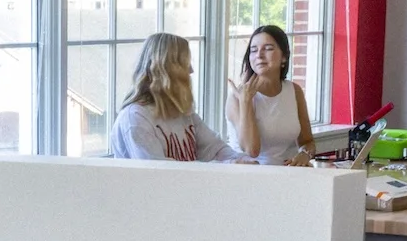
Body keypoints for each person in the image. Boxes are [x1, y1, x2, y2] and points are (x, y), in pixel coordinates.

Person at [108, 33, 253, 163]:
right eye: (185, 64)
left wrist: (242, 160)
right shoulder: (136, 118)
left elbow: (215, 149)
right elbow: (158, 173)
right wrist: (228, 164)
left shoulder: (183, 112)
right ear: (166, 70)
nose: (191, 70)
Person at [227, 24, 316, 166]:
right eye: (253, 50)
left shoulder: (294, 91)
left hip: (287, 171)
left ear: (284, 57)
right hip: (249, 173)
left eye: (268, 49)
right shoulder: (236, 97)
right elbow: (252, 150)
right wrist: (246, 101)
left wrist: (304, 154)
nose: (259, 55)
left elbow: (308, 142)